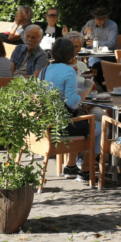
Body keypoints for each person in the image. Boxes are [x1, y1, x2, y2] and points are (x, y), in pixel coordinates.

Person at [39, 38, 95, 182]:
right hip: (62, 126)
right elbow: (71, 103)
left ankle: (71, 167)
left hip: (46, 124)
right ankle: (85, 170)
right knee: (100, 127)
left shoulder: (44, 71)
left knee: (85, 121)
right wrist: (87, 88)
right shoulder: (69, 71)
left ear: (52, 53)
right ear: (71, 55)